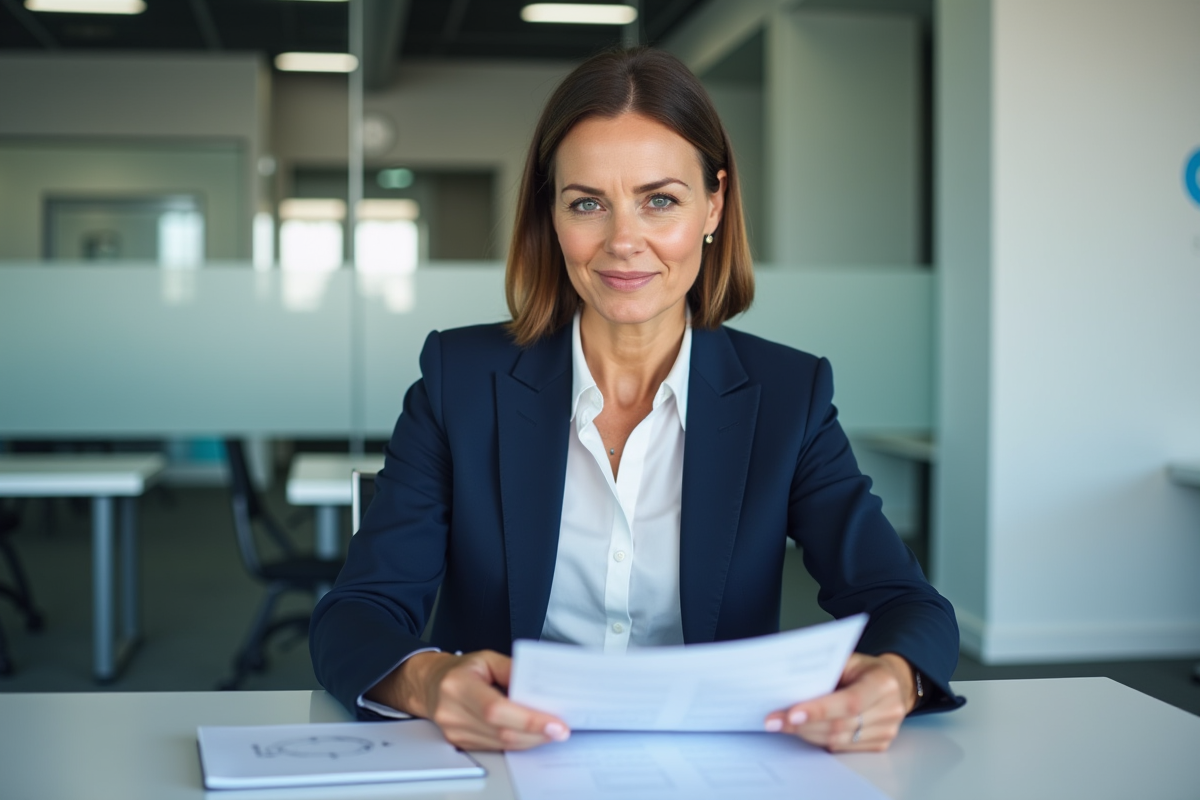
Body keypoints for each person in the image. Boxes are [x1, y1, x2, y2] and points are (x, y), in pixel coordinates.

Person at [310, 46, 963, 754]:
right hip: (507, 762)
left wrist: (893, 680)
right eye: (587, 203)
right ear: (551, 216)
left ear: (713, 204)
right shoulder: (459, 382)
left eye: (660, 200)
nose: (624, 242)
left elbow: (904, 604)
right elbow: (356, 614)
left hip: (719, 764)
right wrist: (432, 683)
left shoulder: (786, 397)